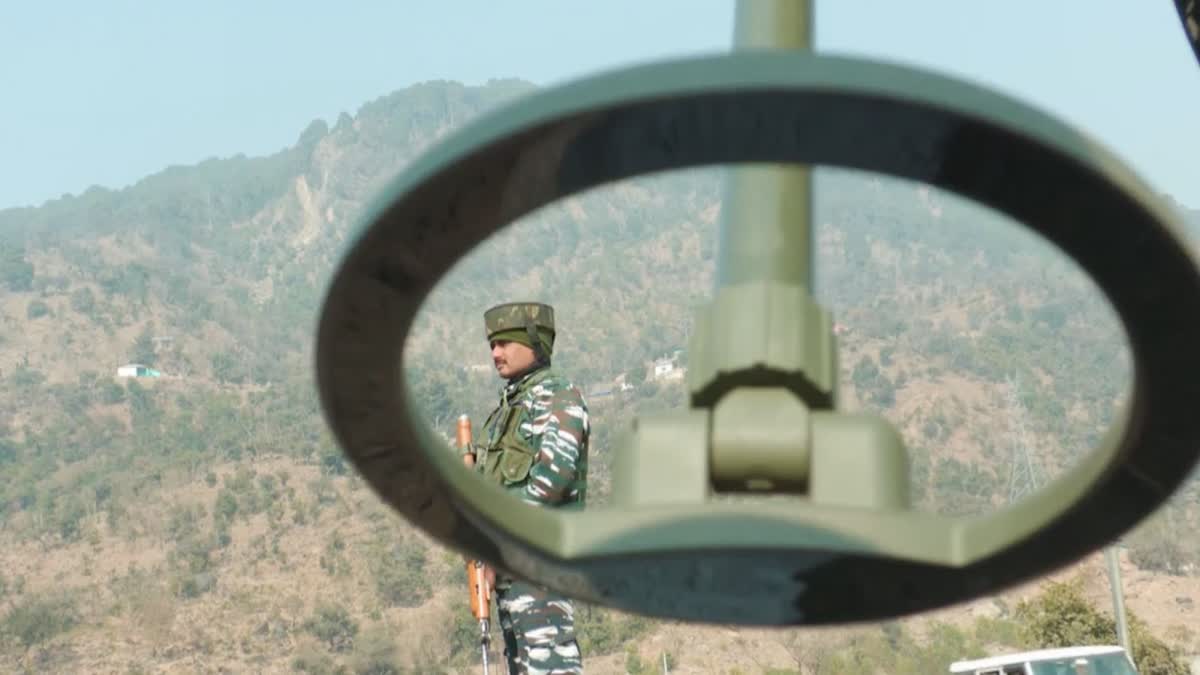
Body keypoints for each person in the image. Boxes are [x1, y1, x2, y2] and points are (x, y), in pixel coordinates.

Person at [469, 301, 589, 675]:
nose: (495, 353)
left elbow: (552, 479)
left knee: (549, 665)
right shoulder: (512, 406)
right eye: (492, 344)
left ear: (534, 343)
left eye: (504, 343)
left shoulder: (558, 397)